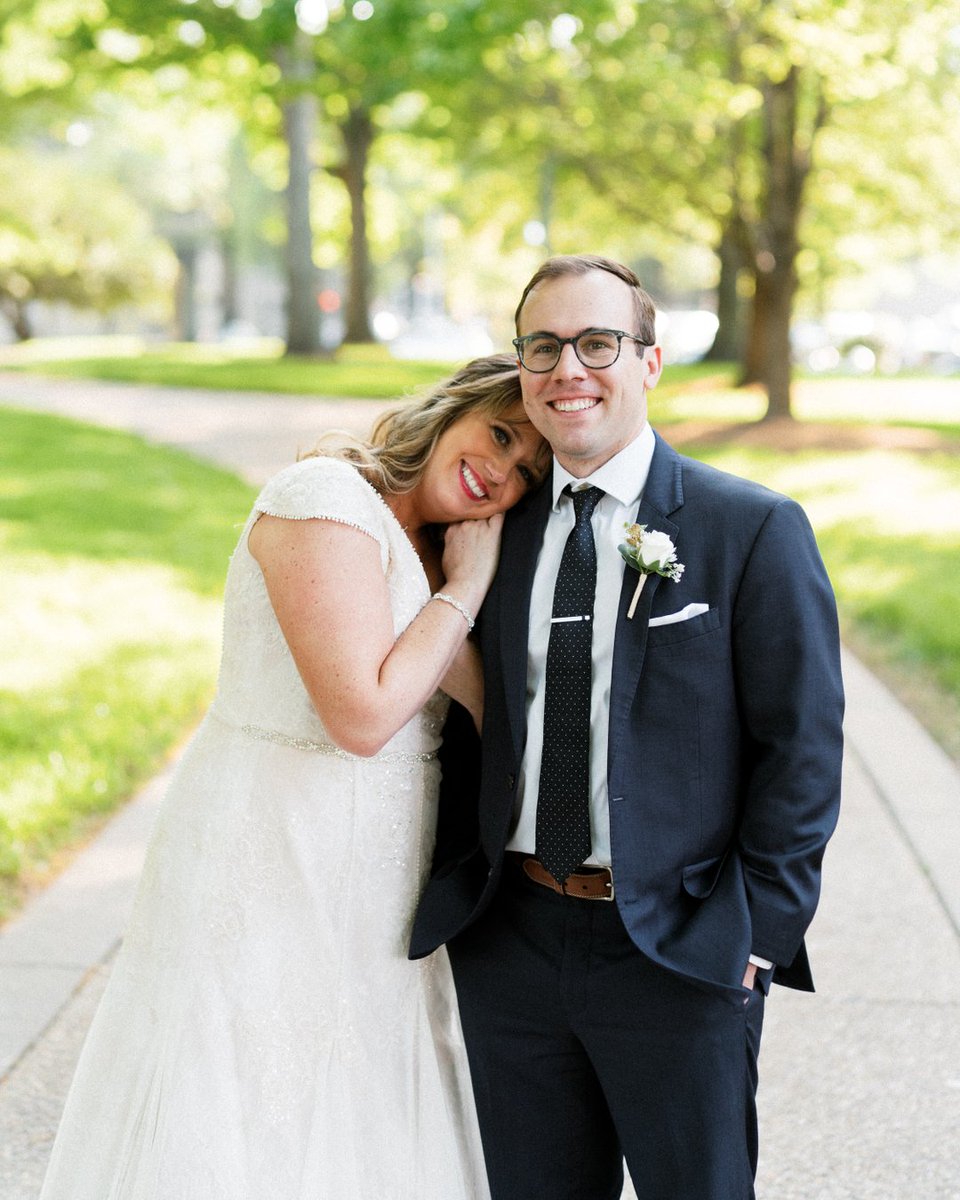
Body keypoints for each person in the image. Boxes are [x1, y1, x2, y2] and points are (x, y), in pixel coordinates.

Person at [39, 354, 549, 1200]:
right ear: (452, 409)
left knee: (363, 1090)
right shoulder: (326, 500)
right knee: (241, 1082)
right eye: (500, 433)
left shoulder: (445, 548)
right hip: (266, 844)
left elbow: (493, 725)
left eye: (527, 470)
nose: (502, 469)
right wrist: (465, 592)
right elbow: (360, 714)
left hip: (382, 879)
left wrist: (463, 605)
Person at [411, 256, 845, 1200]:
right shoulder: (493, 531)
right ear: (521, 369)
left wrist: (752, 937)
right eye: (543, 346)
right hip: (511, 939)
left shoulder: (751, 530)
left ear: (649, 362)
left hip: (679, 951)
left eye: (597, 342)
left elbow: (801, 753)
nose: (569, 368)